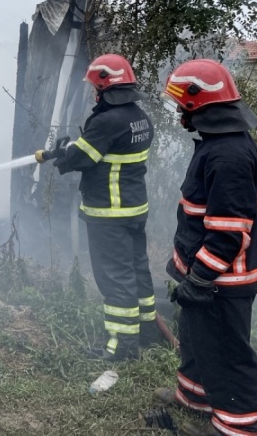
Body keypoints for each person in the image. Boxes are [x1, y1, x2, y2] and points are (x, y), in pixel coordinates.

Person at [156, 59, 257, 436]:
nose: (177, 113)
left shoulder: (229, 156)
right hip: (207, 274)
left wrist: (201, 278)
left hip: (223, 279)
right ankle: (194, 397)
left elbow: (229, 232)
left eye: (180, 104)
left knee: (227, 352)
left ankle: (235, 427)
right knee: (197, 339)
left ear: (197, 102)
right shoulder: (219, 144)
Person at [35, 53, 158, 361]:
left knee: (115, 279)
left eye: (95, 86)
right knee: (137, 271)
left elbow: (83, 157)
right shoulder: (139, 117)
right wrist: (66, 149)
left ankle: (120, 348)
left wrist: (62, 152)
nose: (93, 92)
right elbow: (102, 150)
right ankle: (146, 334)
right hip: (134, 210)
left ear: (106, 86)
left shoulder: (106, 120)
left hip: (109, 214)